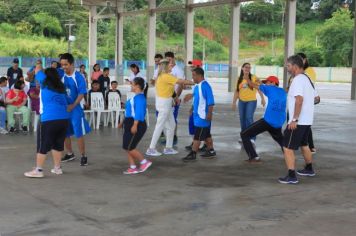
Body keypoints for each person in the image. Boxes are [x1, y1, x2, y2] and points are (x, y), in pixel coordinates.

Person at [24, 66, 70, 178]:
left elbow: (38, 69)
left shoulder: (44, 83)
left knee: (43, 145)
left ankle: (39, 170)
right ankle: (57, 168)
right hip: (63, 119)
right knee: (58, 144)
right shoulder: (61, 88)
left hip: (49, 119)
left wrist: (39, 64)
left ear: (46, 76)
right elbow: (68, 103)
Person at [278, 55, 316, 185]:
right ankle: (309, 168)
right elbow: (316, 98)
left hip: (298, 121)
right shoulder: (307, 79)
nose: (287, 68)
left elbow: (299, 100)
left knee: (287, 147)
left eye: (288, 66)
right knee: (304, 144)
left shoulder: (298, 80)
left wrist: (294, 119)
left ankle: (291, 175)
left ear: (294, 66)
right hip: (307, 120)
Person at [146, 59, 194, 156]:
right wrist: (195, 82)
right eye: (170, 65)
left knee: (171, 125)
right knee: (159, 126)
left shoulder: (164, 76)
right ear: (166, 66)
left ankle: (168, 148)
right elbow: (181, 81)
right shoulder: (165, 76)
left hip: (166, 104)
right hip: (164, 104)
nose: (172, 66)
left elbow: (171, 91)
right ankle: (151, 148)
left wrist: (176, 98)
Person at [240, 76, 286, 163]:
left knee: (244, 134)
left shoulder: (269, 89)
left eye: (267, 82)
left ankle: (254, 157)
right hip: (278, 122)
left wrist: (247, 78)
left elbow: (252, 84)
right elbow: (264, 87)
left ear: (273, 83)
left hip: (268, 121)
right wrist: (262, 83)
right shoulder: (283, 91)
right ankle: (288, 154)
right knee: (280, 139)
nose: (266, 84)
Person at [60, 53, 91, 166]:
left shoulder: (78, 77)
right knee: (65, 133)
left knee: (78, 133)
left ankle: (83, 155)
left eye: (66, 64)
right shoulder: (61, 75)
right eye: (62, 64)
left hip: (75, 109)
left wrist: (73, 105)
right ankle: (69, 153)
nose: (63, 67)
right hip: (64, 109)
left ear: (72, 64)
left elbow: (82, 93)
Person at [118, 77, 152, 174]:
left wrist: (135, 125)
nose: (130, 85)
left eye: (132, 83)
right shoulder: (135, 97)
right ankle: (132, 167)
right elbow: (129, 112)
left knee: (129, 147)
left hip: (136, 124)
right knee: (127, 146)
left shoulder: (140, 98)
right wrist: (122, 122)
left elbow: (139, 113)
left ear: (137, 86)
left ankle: (144, 162)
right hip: (129, 123)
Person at [183, 68, 216, 162]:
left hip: (203, 116)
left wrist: (209, 114)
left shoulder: (206, 86)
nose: (192, 77)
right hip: (197, 115)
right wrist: (192, 108)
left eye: (194, 75)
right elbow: (197, 99)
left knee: (197, 136)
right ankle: (211, 151)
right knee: (207, 135)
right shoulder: (197, 86)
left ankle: (193, 154)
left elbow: (211, 101)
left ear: (199, 75)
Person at [232, 63, 265, 144]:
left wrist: (262, 98)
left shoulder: (254, 77)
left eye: (249, 67)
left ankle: (252, 137)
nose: (247, 69)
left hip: (251, 101)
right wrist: (234, 102)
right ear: (242, 68)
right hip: (241, 101)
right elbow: (237, 91)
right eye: (246, 67)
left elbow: (259, 88)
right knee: (242, 119)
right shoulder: (239, 79)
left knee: (248, 118)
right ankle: (244, 136)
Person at [297, 52, 318, 154]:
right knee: (303, 125)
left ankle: (311, 146)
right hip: (299, 102)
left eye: (300, 59)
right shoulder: (298, 72)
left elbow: (311, 86)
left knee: (305, 125)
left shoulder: (309, 71)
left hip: (305, 102)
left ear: (305, 60)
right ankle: (306, 145)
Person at [165, 51, 185, 145]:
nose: (168, 61)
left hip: (174, 98)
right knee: (167, 119)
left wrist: (176, 97)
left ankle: (174, 136)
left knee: (173, 118)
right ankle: (169, 137)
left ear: (173, 58)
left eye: (170, 59)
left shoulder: (178, 70)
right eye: (167, 59)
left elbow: (181, 85)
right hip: (166, 98)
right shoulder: (166, 70)